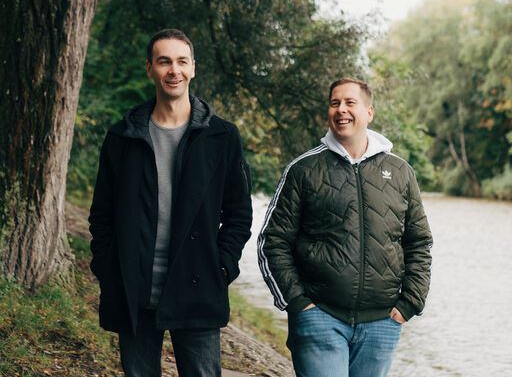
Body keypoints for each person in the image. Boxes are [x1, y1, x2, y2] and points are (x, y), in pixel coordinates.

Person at [89, 28, 252, 377]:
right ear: (150, 68)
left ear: (193, 68)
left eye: (181, 61)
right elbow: (102, 215)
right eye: (164, 61)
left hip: (198, 287)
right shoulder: (123, 136)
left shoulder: (222, 137)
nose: (173, 70)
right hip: (134, 290)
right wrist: (108, 269)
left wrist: (222, 267)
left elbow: (239, 214)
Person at [257, 77, 432, 377]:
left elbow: (418, 243)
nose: (341, 110)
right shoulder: (303, 169)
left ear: (369, 112)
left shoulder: (401, 172)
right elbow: (272, 241)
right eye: (334, 103)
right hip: (319, 317)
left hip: (382, 323)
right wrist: (297, 303)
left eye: (350, 102)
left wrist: (409, 304)